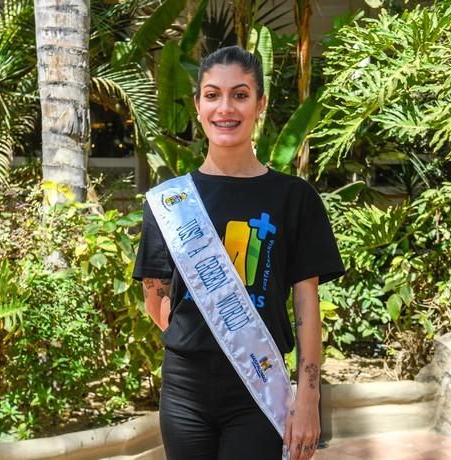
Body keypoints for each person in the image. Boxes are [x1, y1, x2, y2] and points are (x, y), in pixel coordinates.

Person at [133, 46, 345, 460]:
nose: (225, 108)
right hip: (184, 391)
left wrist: (308, 399)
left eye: (240, 95)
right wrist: (201, 336)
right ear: (197, 105)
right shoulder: (171, 201)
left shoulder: (294, 197)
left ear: (260, 104)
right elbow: (155, 296)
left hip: (258, 385)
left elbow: (306, 303)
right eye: (212, 95)